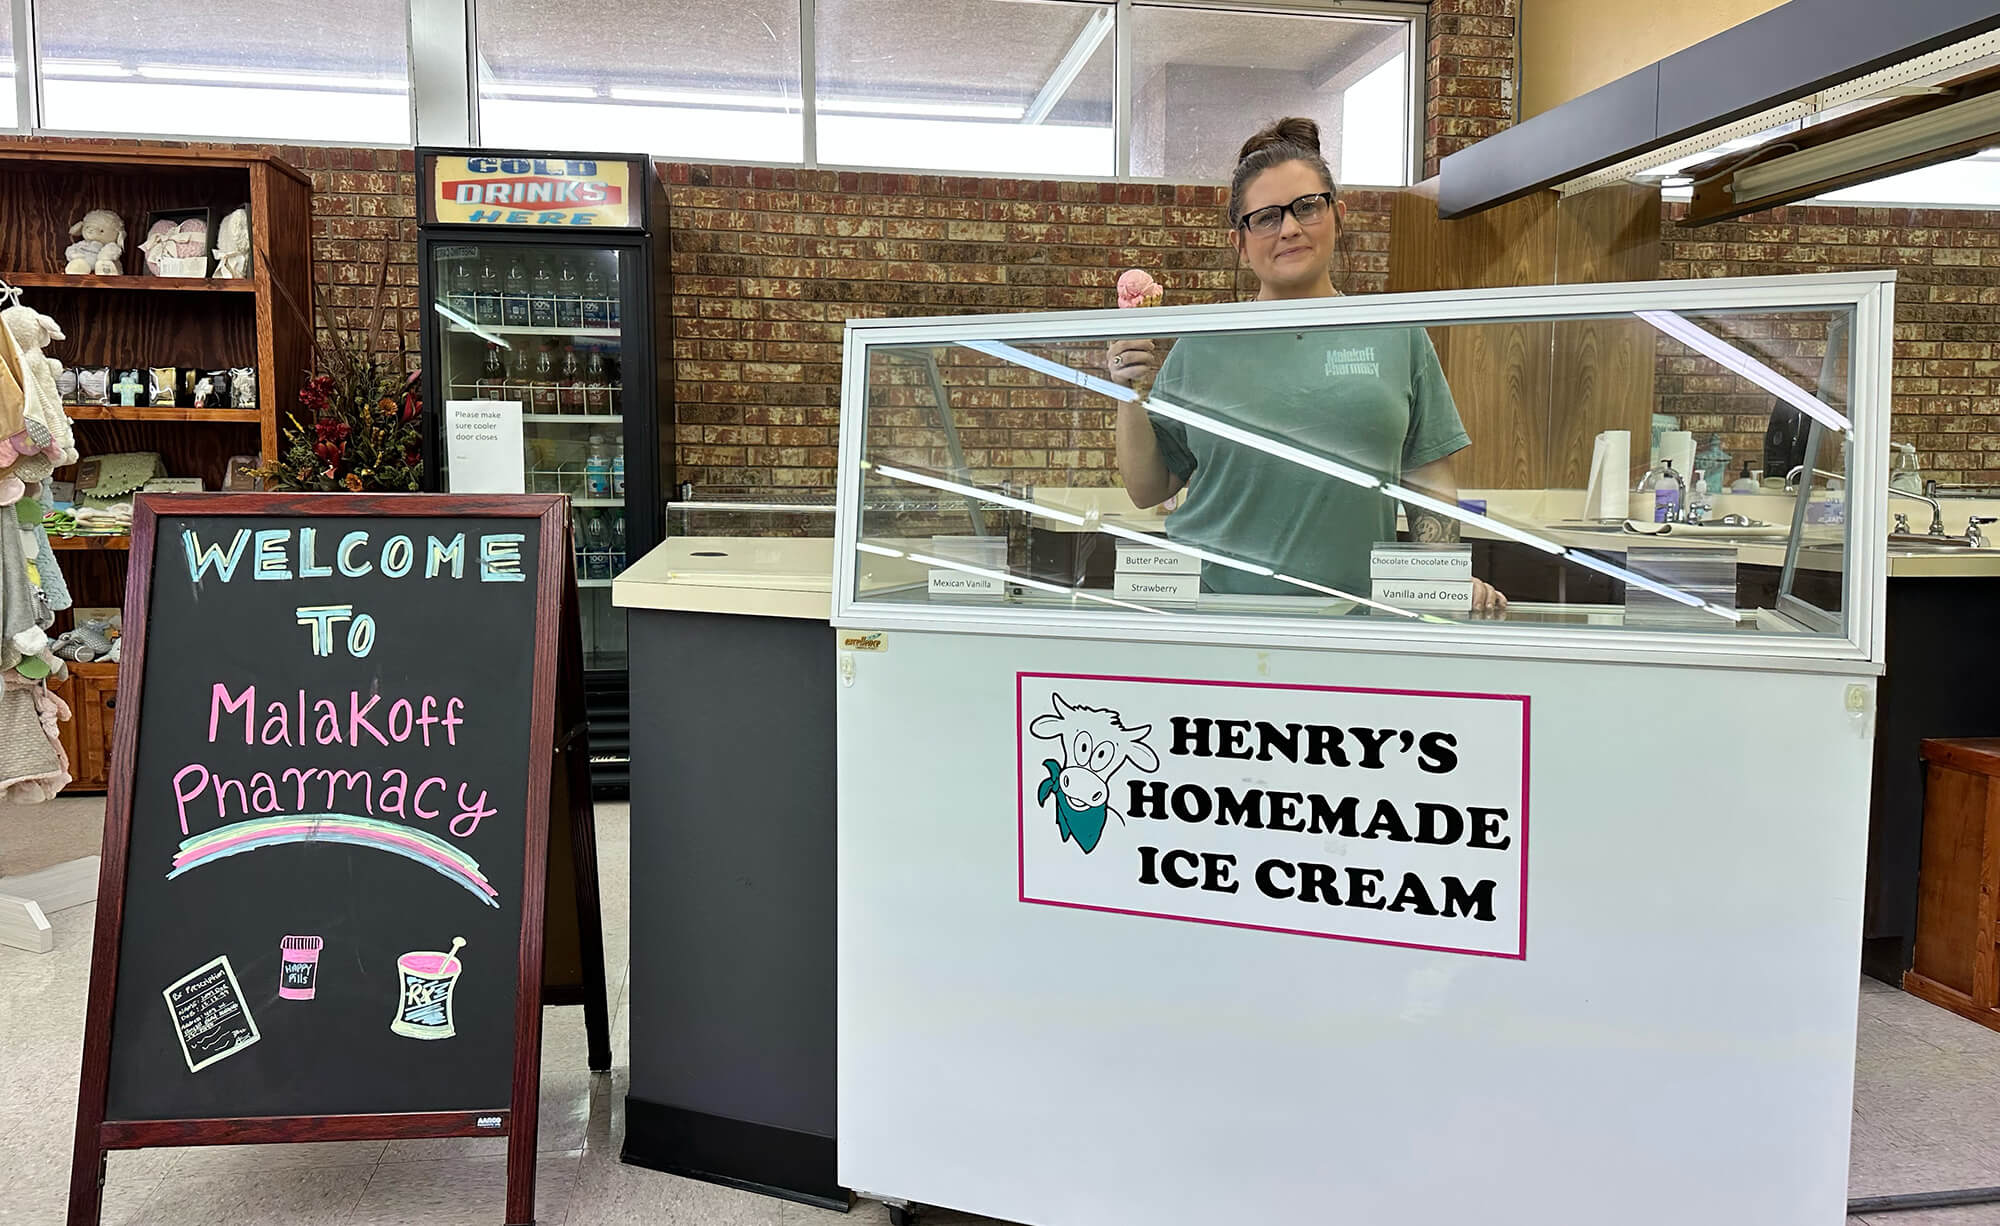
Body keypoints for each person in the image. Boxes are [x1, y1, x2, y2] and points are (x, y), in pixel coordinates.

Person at [1108, 117, 1507, 614]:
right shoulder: (1202, 344)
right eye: (1267, 217)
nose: (1290, 228)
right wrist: (1128, 393)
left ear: (1337, 216)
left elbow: (1428, 480)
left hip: (1351, 621)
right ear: (1240, 241)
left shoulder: (1396, 334)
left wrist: (1442, 575)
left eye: (1306, 207)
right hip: (1212, 616)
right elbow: (1149, 490)